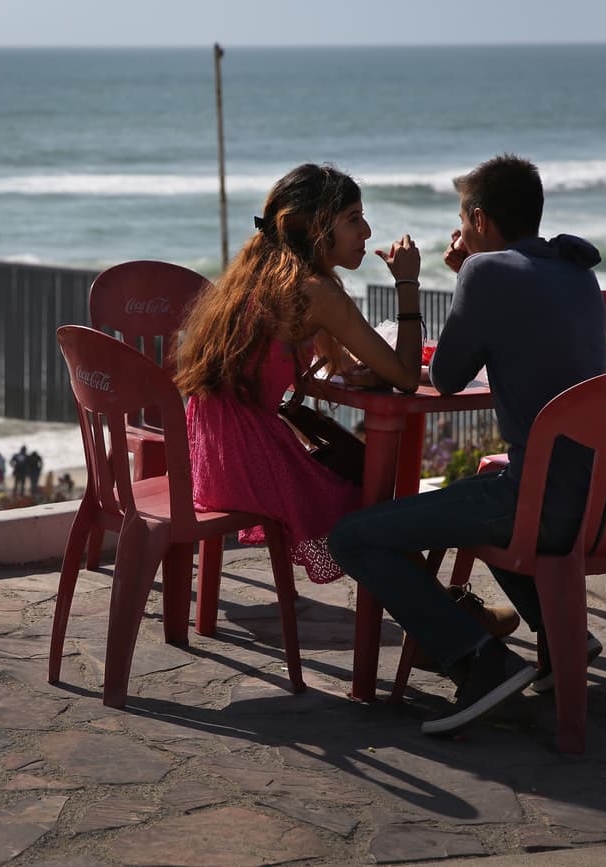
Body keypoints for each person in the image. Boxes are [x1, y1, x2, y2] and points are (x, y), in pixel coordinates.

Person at [328, 154, 606, 737]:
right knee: (479, 492)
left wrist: (467, 273)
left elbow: (449, 375)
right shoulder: (578, 270)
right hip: (597, 501)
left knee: (353, 537)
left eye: (463, 217)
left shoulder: (488, 273)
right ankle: (562, 639)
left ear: (478, 220)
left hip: (541, 504)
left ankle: (480, 660)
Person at [172, 163, 426, 585]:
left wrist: (361, 371)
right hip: (244, 454)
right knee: (374, 509)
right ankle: (444, 622)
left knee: (366, 493)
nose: (366, 231)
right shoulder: (318, 292)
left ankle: (445, 617)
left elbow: (272, 365)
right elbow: (406, 377)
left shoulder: (258, 275)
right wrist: (408, 283)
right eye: (353, 219)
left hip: (210, 450)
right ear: (316, 230)